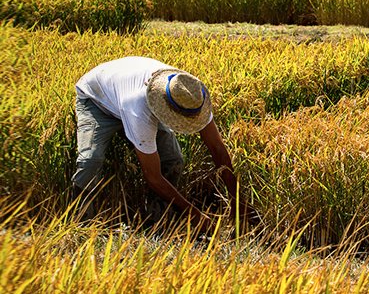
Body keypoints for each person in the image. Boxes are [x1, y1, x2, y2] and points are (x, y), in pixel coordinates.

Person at [72, 56, 258, 226]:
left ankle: (156, 222)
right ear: (166, 109)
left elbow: (217, 149)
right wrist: (193, 213)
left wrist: (237, 200)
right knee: (90, 160)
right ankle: (82, 224)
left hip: (123, 87)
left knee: (173, 160)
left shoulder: (192, 97)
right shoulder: (138, 107)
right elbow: (153, 176)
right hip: (96, 99)